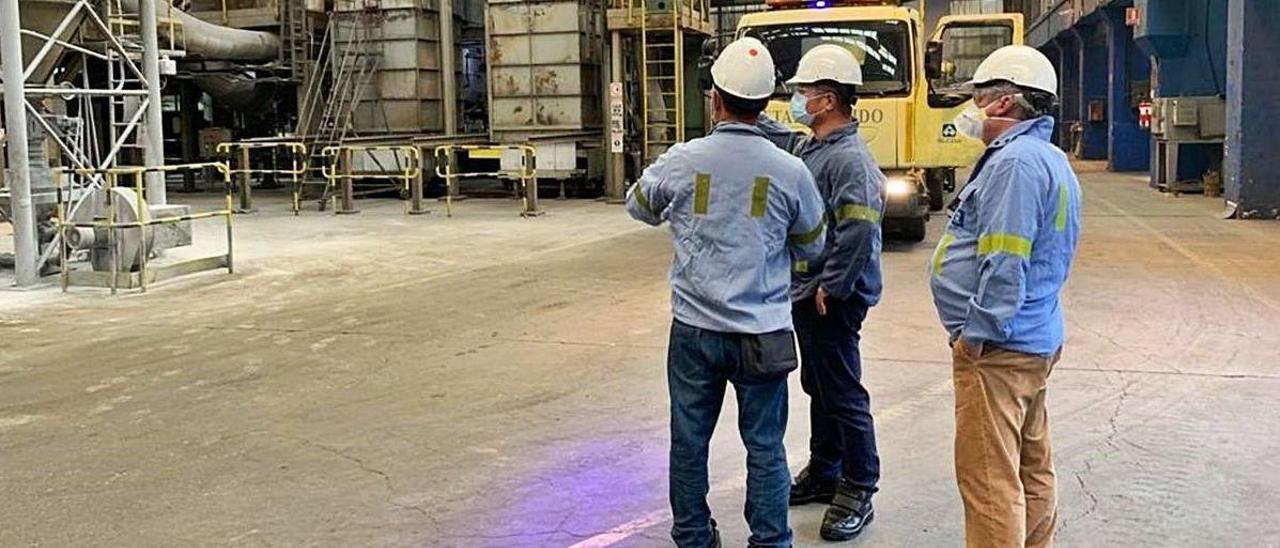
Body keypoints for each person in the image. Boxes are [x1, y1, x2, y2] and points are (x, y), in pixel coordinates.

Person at [626, 37, 827, 548]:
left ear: (714, 98)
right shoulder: (791, 169)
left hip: (695, 331)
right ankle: (769, 540)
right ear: (767, 105)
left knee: (689, 442)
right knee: (765, 446)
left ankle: (693, 536)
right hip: (762, 331)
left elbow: (640, 207)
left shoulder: (683, 160)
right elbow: (812, 244)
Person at [929, 45, 1082, 548]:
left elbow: (1006, 261)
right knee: (1030, 466)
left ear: (1004, 103)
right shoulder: (1049, 158)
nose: (971, 109)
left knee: (990, 483)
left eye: (978, 98)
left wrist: (976, 335)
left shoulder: (1015, 163)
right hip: (1033, 337)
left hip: (1000, 348)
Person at [779, 44, 887, 542]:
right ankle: (825, 469)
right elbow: (782, 140)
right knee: (819, 386)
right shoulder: (814, 147)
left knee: (842, 391)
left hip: (834, 295)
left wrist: (833, 283)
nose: (796, 100)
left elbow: (860, 230)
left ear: (825, 100)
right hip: (811, 291)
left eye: (803, 92)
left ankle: (859, 484)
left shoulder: (849, 159)